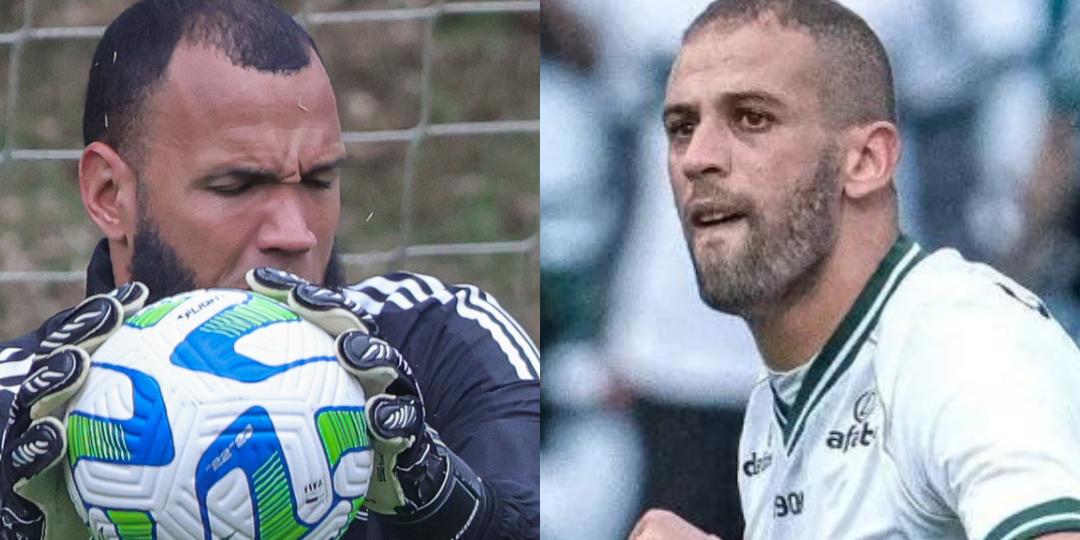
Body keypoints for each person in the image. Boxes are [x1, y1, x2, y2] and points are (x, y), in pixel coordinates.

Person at [0, 1, 540, 539]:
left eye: (319, 181)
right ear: (110, 194)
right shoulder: (16, 428)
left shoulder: (442, 340)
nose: (295, 233)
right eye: (238, 186)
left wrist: (447, 502)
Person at [630, 0, 1080, 538]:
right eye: (681, 127)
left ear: (867, 161)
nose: (696, 157)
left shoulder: (959, 340)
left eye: (752, 118)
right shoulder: (775, 406)